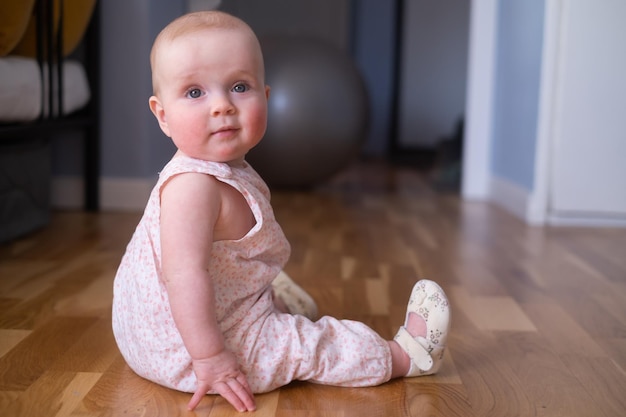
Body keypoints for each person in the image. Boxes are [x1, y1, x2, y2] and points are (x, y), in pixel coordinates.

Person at [111, 10, 451, 413]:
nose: (221, 105)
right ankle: (405, 356)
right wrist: (211, 359)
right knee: (311, 346)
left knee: (246, 284)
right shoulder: (192, 188)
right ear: (163, 115)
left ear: (265, 98)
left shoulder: (223, 168)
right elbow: (183, 277)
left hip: (158, 333)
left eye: (239, 86)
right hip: (188, 352)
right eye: (195, 93)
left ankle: (266, 301)